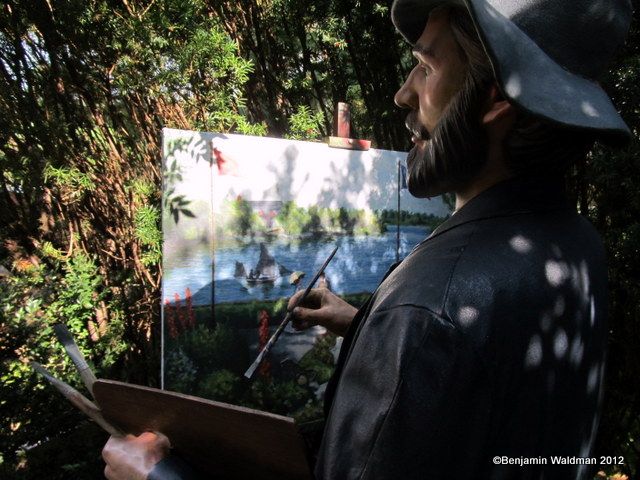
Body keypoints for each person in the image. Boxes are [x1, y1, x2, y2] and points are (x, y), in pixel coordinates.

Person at [102, 0, 633, 478]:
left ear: (494, 99)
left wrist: (161, 476)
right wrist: (367, 329)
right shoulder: (574, 242)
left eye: (425, 66)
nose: (404, 93)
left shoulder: (431, 305)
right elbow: (480, 400)